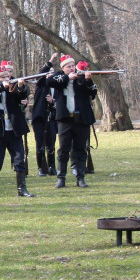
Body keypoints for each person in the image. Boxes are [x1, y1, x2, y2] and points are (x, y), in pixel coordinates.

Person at [0, 65, 34, 198]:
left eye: (8, 76)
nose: (8, 78)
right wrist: (1, 86)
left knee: (19, 158)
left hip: (14, 129)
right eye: (4, 77)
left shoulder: (13, 87)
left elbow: (20, 96)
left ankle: (21, 188)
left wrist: (21, 86)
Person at [47, 55, 98, 188]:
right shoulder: (59, 77)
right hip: (65, 119)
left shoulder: (81, 78)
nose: (71, 68)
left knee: (80, 149)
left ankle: (80, 177)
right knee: (63, 150)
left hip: (81, 119)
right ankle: (61, 177)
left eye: (72, 66)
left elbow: (92, 92)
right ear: (63, 67)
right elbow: (50, 82)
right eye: (68, 66)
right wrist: (67, 78)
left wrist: (88, 80)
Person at [30, 54, 59, 177]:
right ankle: (41, 167)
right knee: (40, 145)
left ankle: (52, 167)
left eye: (52, 72)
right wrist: (50, 61)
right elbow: (42, 73)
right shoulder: (41, 84)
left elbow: (59, 103)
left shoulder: (56, 87)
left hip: (52, 118)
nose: (50, 74)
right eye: (48, 72)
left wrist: (52, 102)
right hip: (39, 118)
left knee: (51, 144)